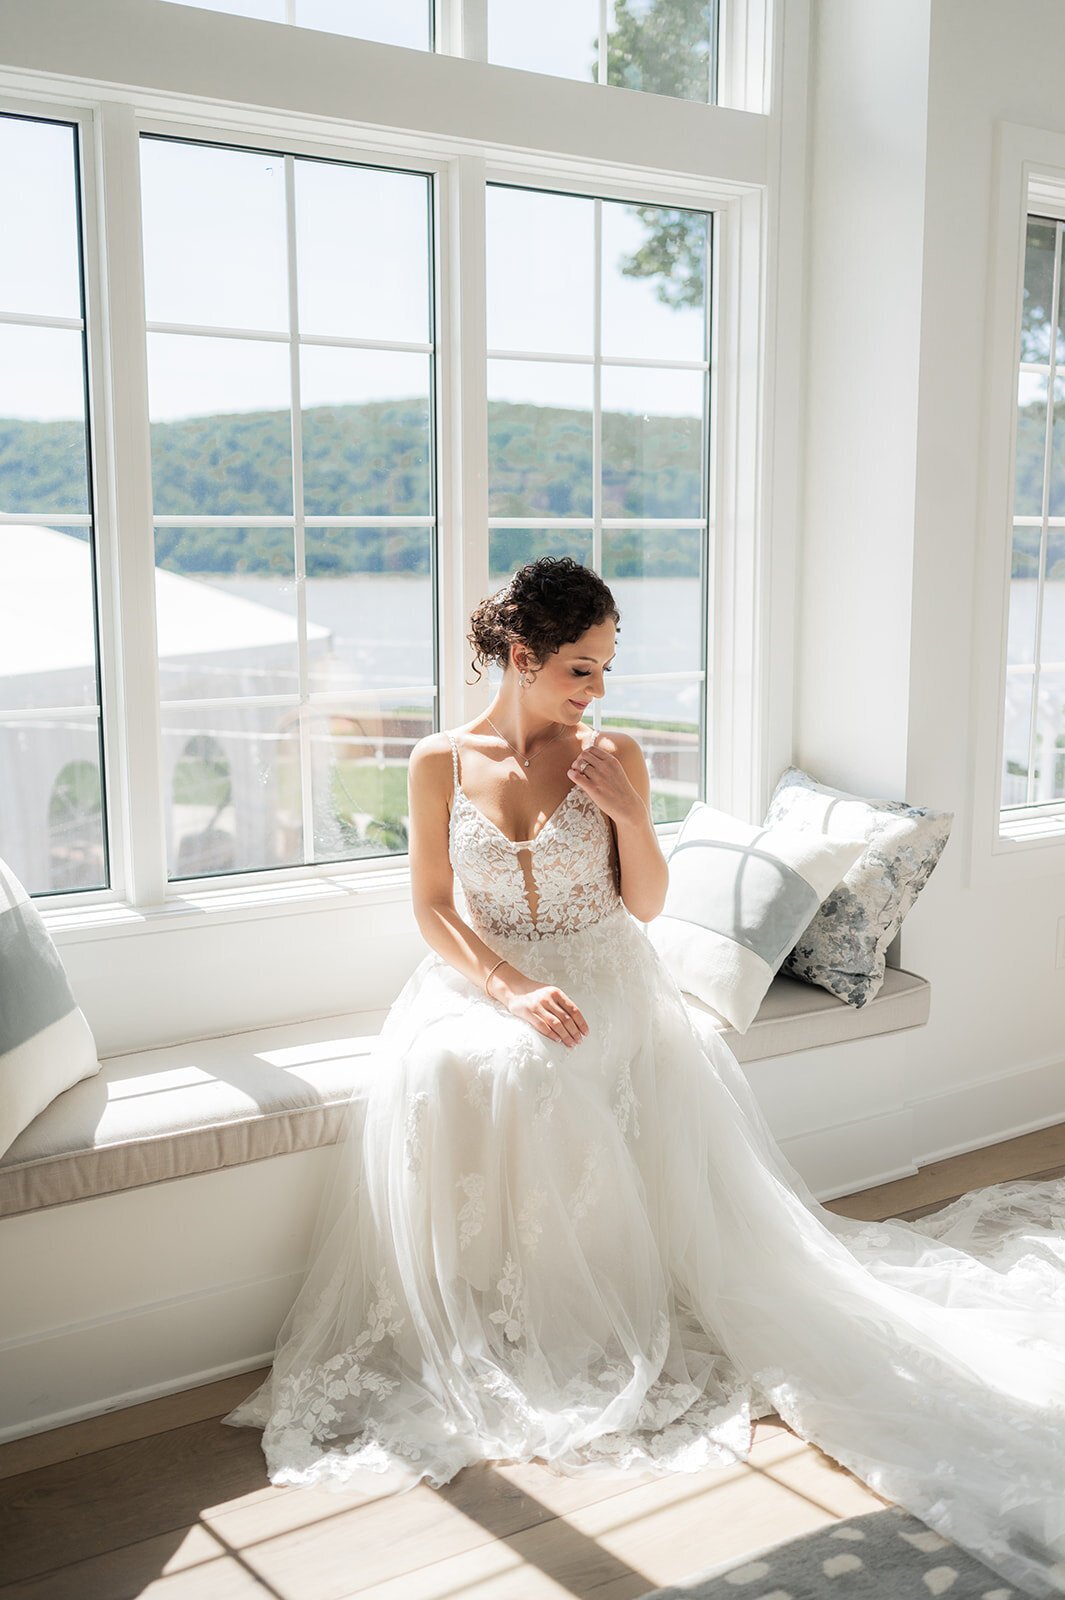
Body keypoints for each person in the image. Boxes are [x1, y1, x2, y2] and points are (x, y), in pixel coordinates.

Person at [223, 558, 1065, 1598]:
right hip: (492, 976)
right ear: (523, 659)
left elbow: (651, 904)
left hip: (608, 974)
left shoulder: (609, 752)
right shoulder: (439, 760)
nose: (599, 691)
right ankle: (488, 1312)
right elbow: (433, 908)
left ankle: (587, 1309)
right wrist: (506, 983)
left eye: (609, 666)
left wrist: (628, 810)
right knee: (450, 1060)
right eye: (582, 668)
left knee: (543, 1067)